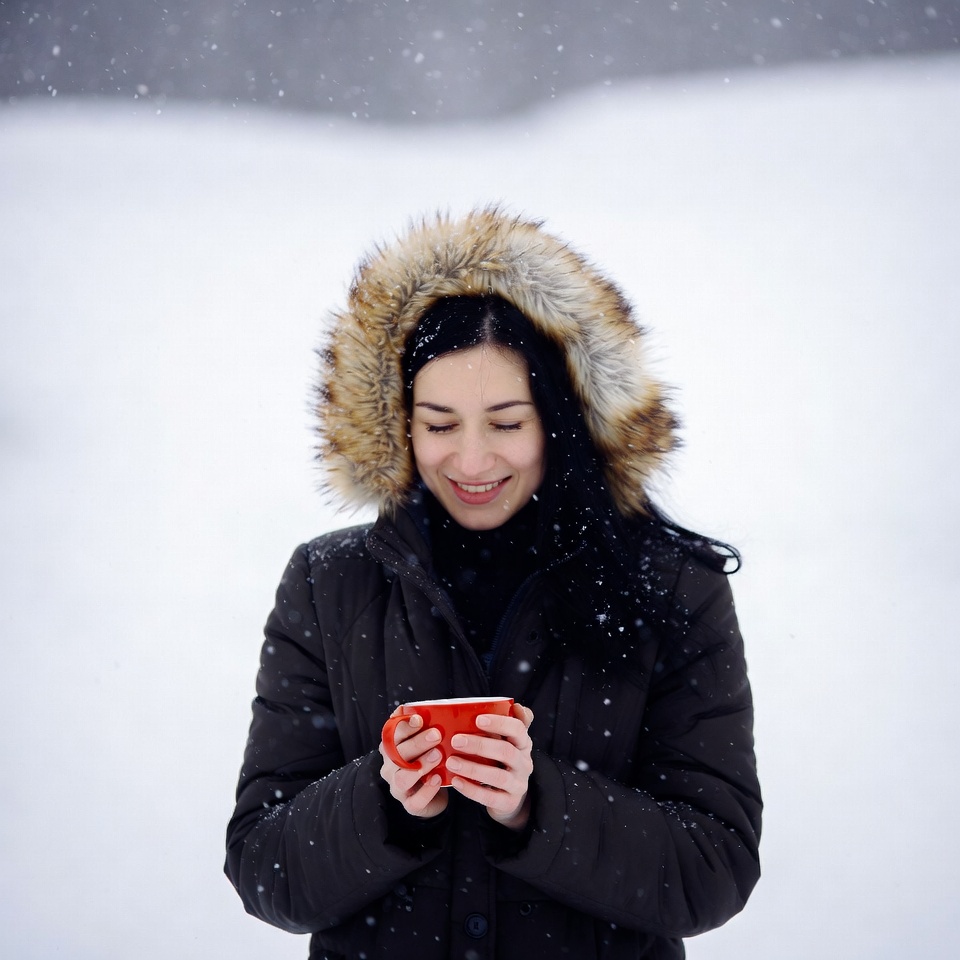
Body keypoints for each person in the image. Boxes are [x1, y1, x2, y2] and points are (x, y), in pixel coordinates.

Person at [224, 207, 762, 960]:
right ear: (397, 426)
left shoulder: (676, 587)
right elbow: (262, 866)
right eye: (439, 425)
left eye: (506, 423)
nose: (471, 463)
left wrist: (539, 805)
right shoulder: (328, 583)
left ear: (563, 419)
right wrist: (383, 804)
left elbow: (714, 867)